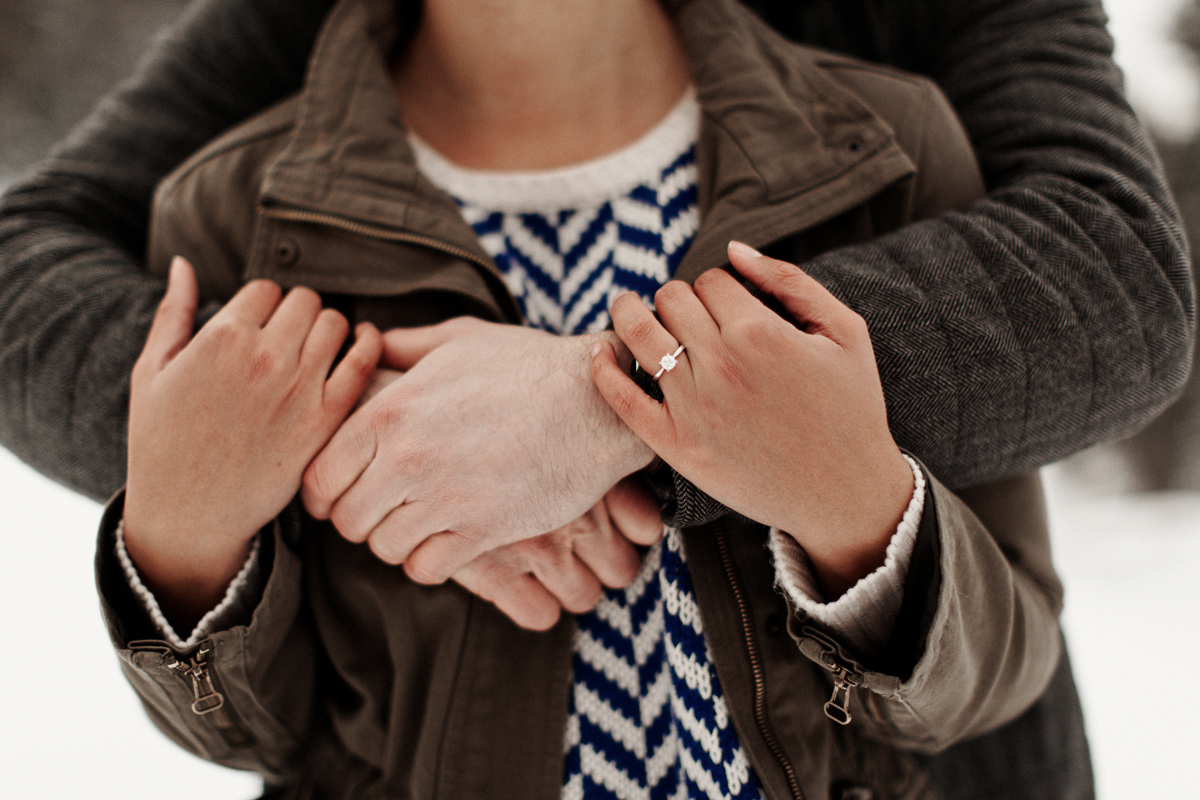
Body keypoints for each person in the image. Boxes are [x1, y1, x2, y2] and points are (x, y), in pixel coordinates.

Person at [0, 0, 1188, 797]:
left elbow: (1116, 270)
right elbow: (260, 716)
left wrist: (623, 410)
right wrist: (354, 440)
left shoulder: (892, 143)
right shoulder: (238, 205)